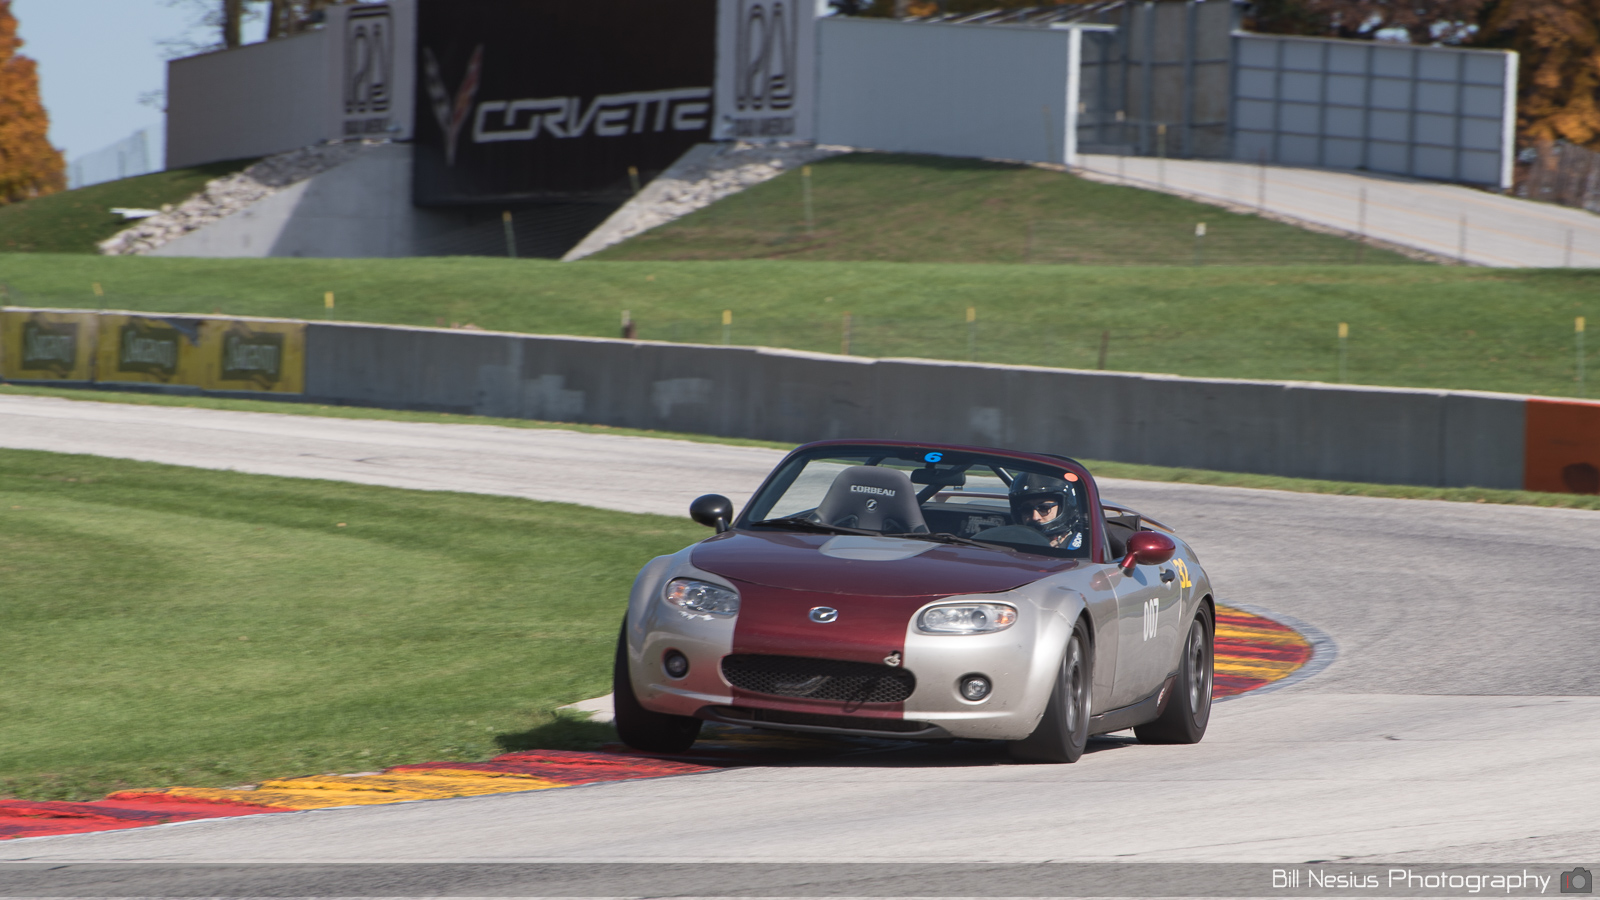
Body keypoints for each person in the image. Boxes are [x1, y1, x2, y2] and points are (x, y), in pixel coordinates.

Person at [1007, 472, 1086, 550]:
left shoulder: (1080, 547)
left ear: (1063, 508)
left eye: (1044, 508)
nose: (1035, 517)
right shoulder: (1010, 542)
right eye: (1026, 509)